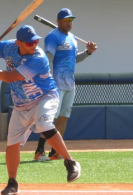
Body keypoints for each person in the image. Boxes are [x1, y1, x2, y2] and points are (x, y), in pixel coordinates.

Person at [0, 25, 81, 195]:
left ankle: (70, 162)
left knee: (43, 123)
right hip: (21, 104)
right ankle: (12, 182)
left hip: (45, 97)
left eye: (36, 41)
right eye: (30, 43)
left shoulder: (38, 58)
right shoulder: (8, 46)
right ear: (19, 43)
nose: (34, 45)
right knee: (12, 143)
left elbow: (9, 77)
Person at [34, 8, 97, 161]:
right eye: (66, 20)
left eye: (71, 20)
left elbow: (74, 59)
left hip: (69, 84)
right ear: (59, 21)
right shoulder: (52, 37)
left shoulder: (72, 38)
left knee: (63, 117)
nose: (69, 23)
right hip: (56, 83)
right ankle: (39, 151)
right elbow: (47, 59)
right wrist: (48, 81)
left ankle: (55, 151)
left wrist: (88, 52)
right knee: (49, 119)